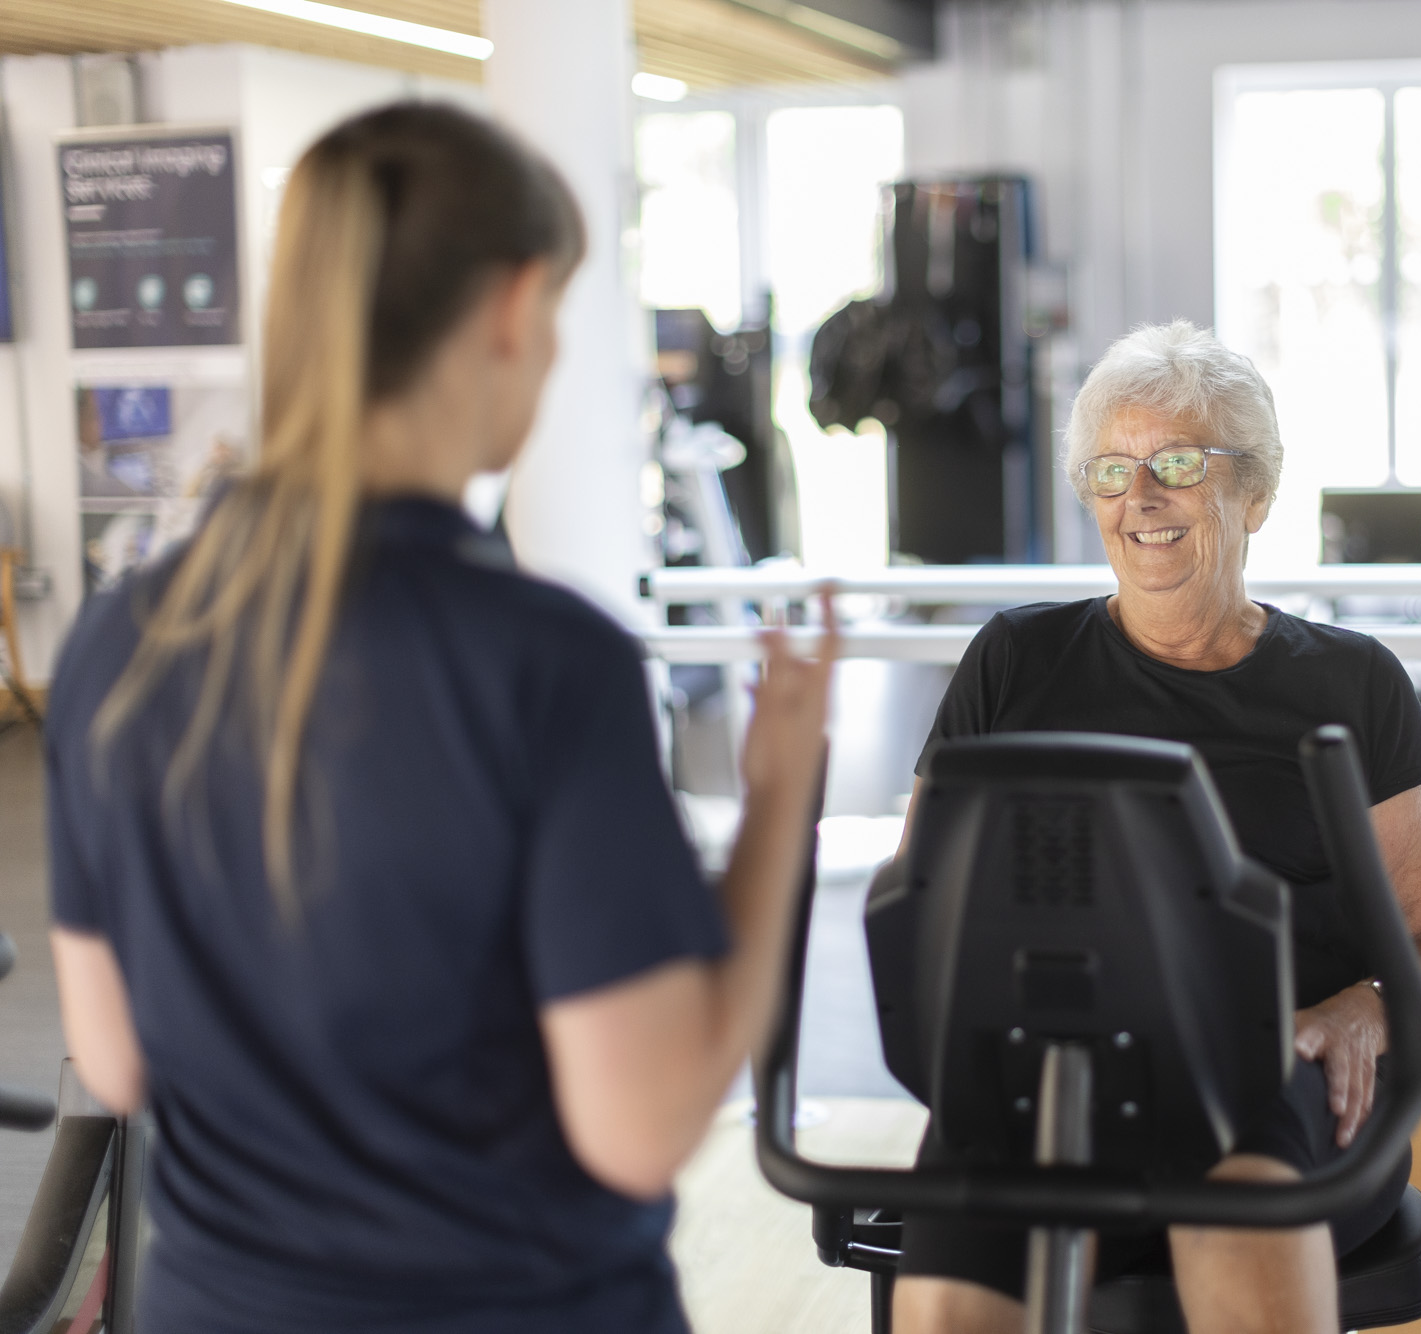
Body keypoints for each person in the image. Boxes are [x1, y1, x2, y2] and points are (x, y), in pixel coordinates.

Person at [44, 103, 836, 1334]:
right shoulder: (545, 660)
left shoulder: (117, 640)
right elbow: (643, 1127)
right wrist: (780, 796)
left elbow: (116, 1058)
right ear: (515, 307)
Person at [891, 322, 1421, 1334]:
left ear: (1251, 493)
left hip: (1280, 1072)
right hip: (1048, 1071)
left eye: (1175, 462)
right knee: (954, 1285)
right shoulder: (1014, 661)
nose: (1141, 497)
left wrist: (1358, 1011)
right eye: (1113, 470)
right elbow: (919, 896)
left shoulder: (1350, 683)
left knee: (1228, 1214)